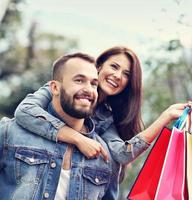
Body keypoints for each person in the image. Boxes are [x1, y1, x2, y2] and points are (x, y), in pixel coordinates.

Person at [14, 46, 192, 198]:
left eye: (126, 74)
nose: (118, 76)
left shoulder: (106, 117)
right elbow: (24, 111)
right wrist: (78, 139)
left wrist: (165, 117)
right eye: (114, 67)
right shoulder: (62, 88)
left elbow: (122, 154)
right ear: (99, 67)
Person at [0, 52, 119, 199]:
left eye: (94, 83)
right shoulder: (9, 133)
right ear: (55, 88)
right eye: (79, 80)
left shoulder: (105, 157)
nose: (89, 89)